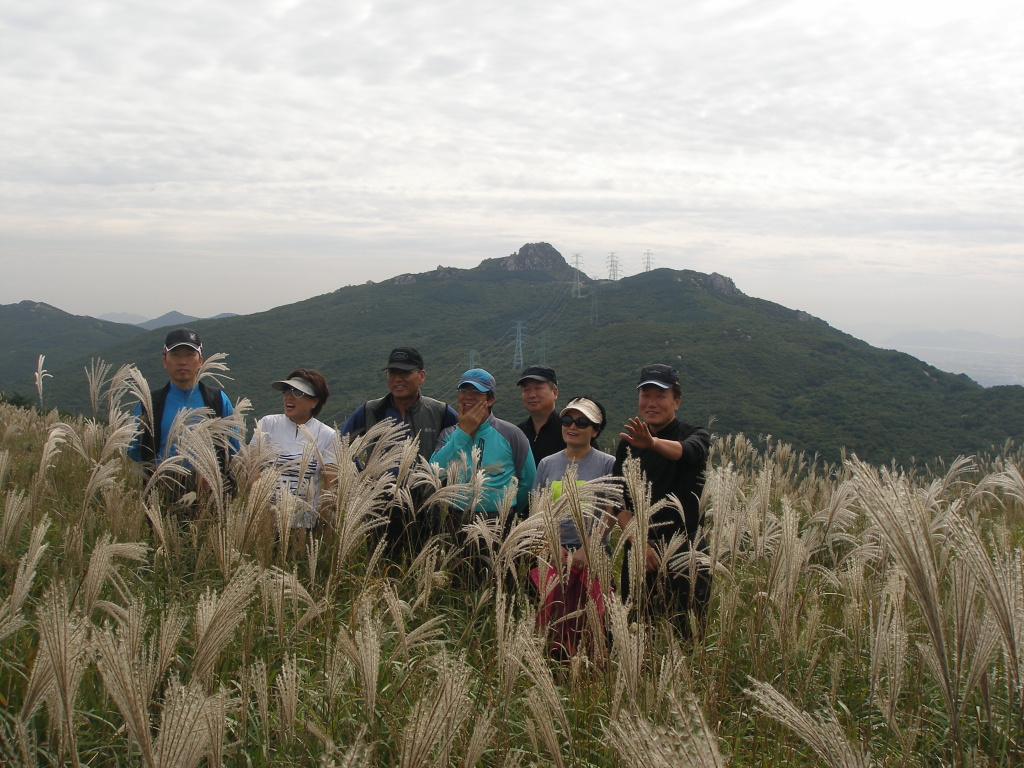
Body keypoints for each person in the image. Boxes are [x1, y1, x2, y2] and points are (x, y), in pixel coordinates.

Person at [609, 363, 712, 636]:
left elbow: (687, 452)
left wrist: (653, 443)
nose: (651, 403)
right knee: (637, 634)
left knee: (684, 637)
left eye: (660, 396)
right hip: (641, 552)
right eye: (645, 395)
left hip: (685, 552)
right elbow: (617, 497)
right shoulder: (628, 442)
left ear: (676, 401)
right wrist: (637, 540)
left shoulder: (695, 434)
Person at [341, 347, 458, 558]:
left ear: (421, 376)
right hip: (380, 507)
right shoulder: (370, 411)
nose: (397, 379)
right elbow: (342, 446)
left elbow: (463, 441)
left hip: (425, 506)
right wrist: (363, 475)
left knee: (421, 561)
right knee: (380, 564)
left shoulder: (439, 411)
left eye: (404, 373)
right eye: (392, 373)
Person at [531, 396, 615, 658]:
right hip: (554, 554)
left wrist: (586, 549)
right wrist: (555, 550)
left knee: (593, 621)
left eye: (582, 422)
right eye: (567, 420)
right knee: (553, 618)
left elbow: (611, 512)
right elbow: (539, 510)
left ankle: (589, 671)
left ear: (595, 430)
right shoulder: (547, 464)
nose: (573, 426)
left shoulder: (607, 463)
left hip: (593, 555)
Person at [128, 328, 238, 492]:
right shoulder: (150, 402)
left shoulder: (217, 399)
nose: (182, 361)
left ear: (200, 361)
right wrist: (156, 471)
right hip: (163, 492)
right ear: (164, 361)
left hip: (209, 494)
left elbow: (233, 447)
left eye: (189, 354)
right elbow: (133, 448)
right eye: (175, 355)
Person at [430, 368, 536, 526]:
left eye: (477, 392)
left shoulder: (511, 434)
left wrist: (507, 508)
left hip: (498, 520)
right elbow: (433, 472)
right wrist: (463, 432)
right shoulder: (449, 434)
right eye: (464, 390)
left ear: (490, 400)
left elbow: (528, 481)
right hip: (455, 518)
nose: (468, 396)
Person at [250, 369, 337, 529]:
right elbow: (254, 472)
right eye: (287, 390)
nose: (289, 396)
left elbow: (330, 488)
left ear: (314, 402)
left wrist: (323, 526)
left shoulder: (327, 435)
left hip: (304, 527)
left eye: (297, 392)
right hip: (267, 524)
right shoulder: (268, 424)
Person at [516, 365, 566, 465]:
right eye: (526, 390)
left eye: (538, 388)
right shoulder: (517, 433)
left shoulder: (569, 429)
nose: (532, 395)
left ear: (555, 392)